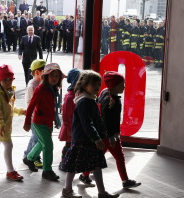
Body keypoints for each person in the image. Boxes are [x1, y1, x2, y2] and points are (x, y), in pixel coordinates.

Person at [60, 70, 119, 198]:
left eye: (98, 84)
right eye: (94, 84)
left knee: (96, 165)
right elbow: (87, 123)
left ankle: (102, 192)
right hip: (82, 139)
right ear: (84, 85)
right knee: (74, 165)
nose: (97, 87)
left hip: (90, 139)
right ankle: (67, 189)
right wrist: (97, 139)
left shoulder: (90, 100)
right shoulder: (84, 102)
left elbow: (97, 121)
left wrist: (104, 136)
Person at [98, 71, 142, 189]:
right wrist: (111, 136)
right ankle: (125, 181)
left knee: (98, 156)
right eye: (122, 84)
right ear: (114, 86)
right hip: (109, 135)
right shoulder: (111, 100)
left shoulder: (105, 94)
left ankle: (84, 175)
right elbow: (106, 120)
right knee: (119, 157)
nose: (124, 86)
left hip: (105, 134)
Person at [23, 63, 65, 181]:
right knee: (48, 145)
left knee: (42, 143)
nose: (54, 78)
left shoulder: (53, 89)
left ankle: (29, 158)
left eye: (57, 76)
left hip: (48, 121)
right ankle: (47, 170)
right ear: (46, 76)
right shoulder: (40, 89)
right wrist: (26, 122)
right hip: (39, 122)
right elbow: (31, 106)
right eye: (52, 76)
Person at [58, 68, 96, 188]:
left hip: (74, 126)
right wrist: (69, 127)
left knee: (70, 146)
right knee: (69, 146)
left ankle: (66, 163)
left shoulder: (76, 94)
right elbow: (66, 114)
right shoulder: (70, 96)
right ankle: (64, 162)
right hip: (71, 127)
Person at [22, 59, 47, 169]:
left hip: (41, 116)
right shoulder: (32, 85)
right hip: (34, 117)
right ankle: (29, 156)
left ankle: (32, 155)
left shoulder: (41, 83)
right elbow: (31, 103)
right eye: (44, 72)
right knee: (36, 137)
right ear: (37, 72)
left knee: (38, 137)